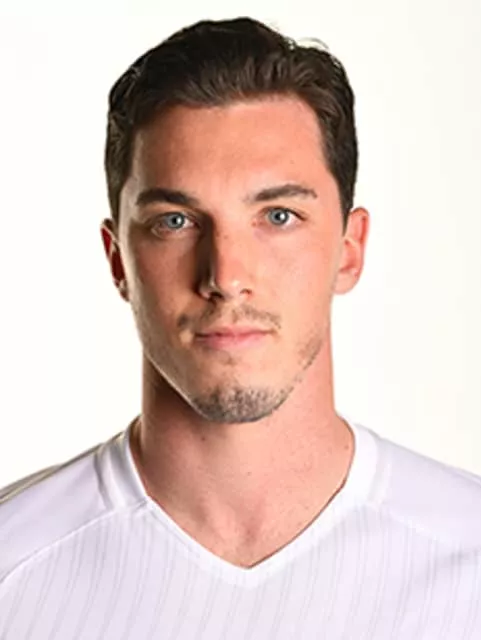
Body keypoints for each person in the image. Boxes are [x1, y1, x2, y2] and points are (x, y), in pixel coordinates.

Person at [0, 16, 480, 639]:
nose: (225, 276)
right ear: (118, 260)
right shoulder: (14, 566)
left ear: (350, 249)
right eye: (175, 221)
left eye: (278, 216)